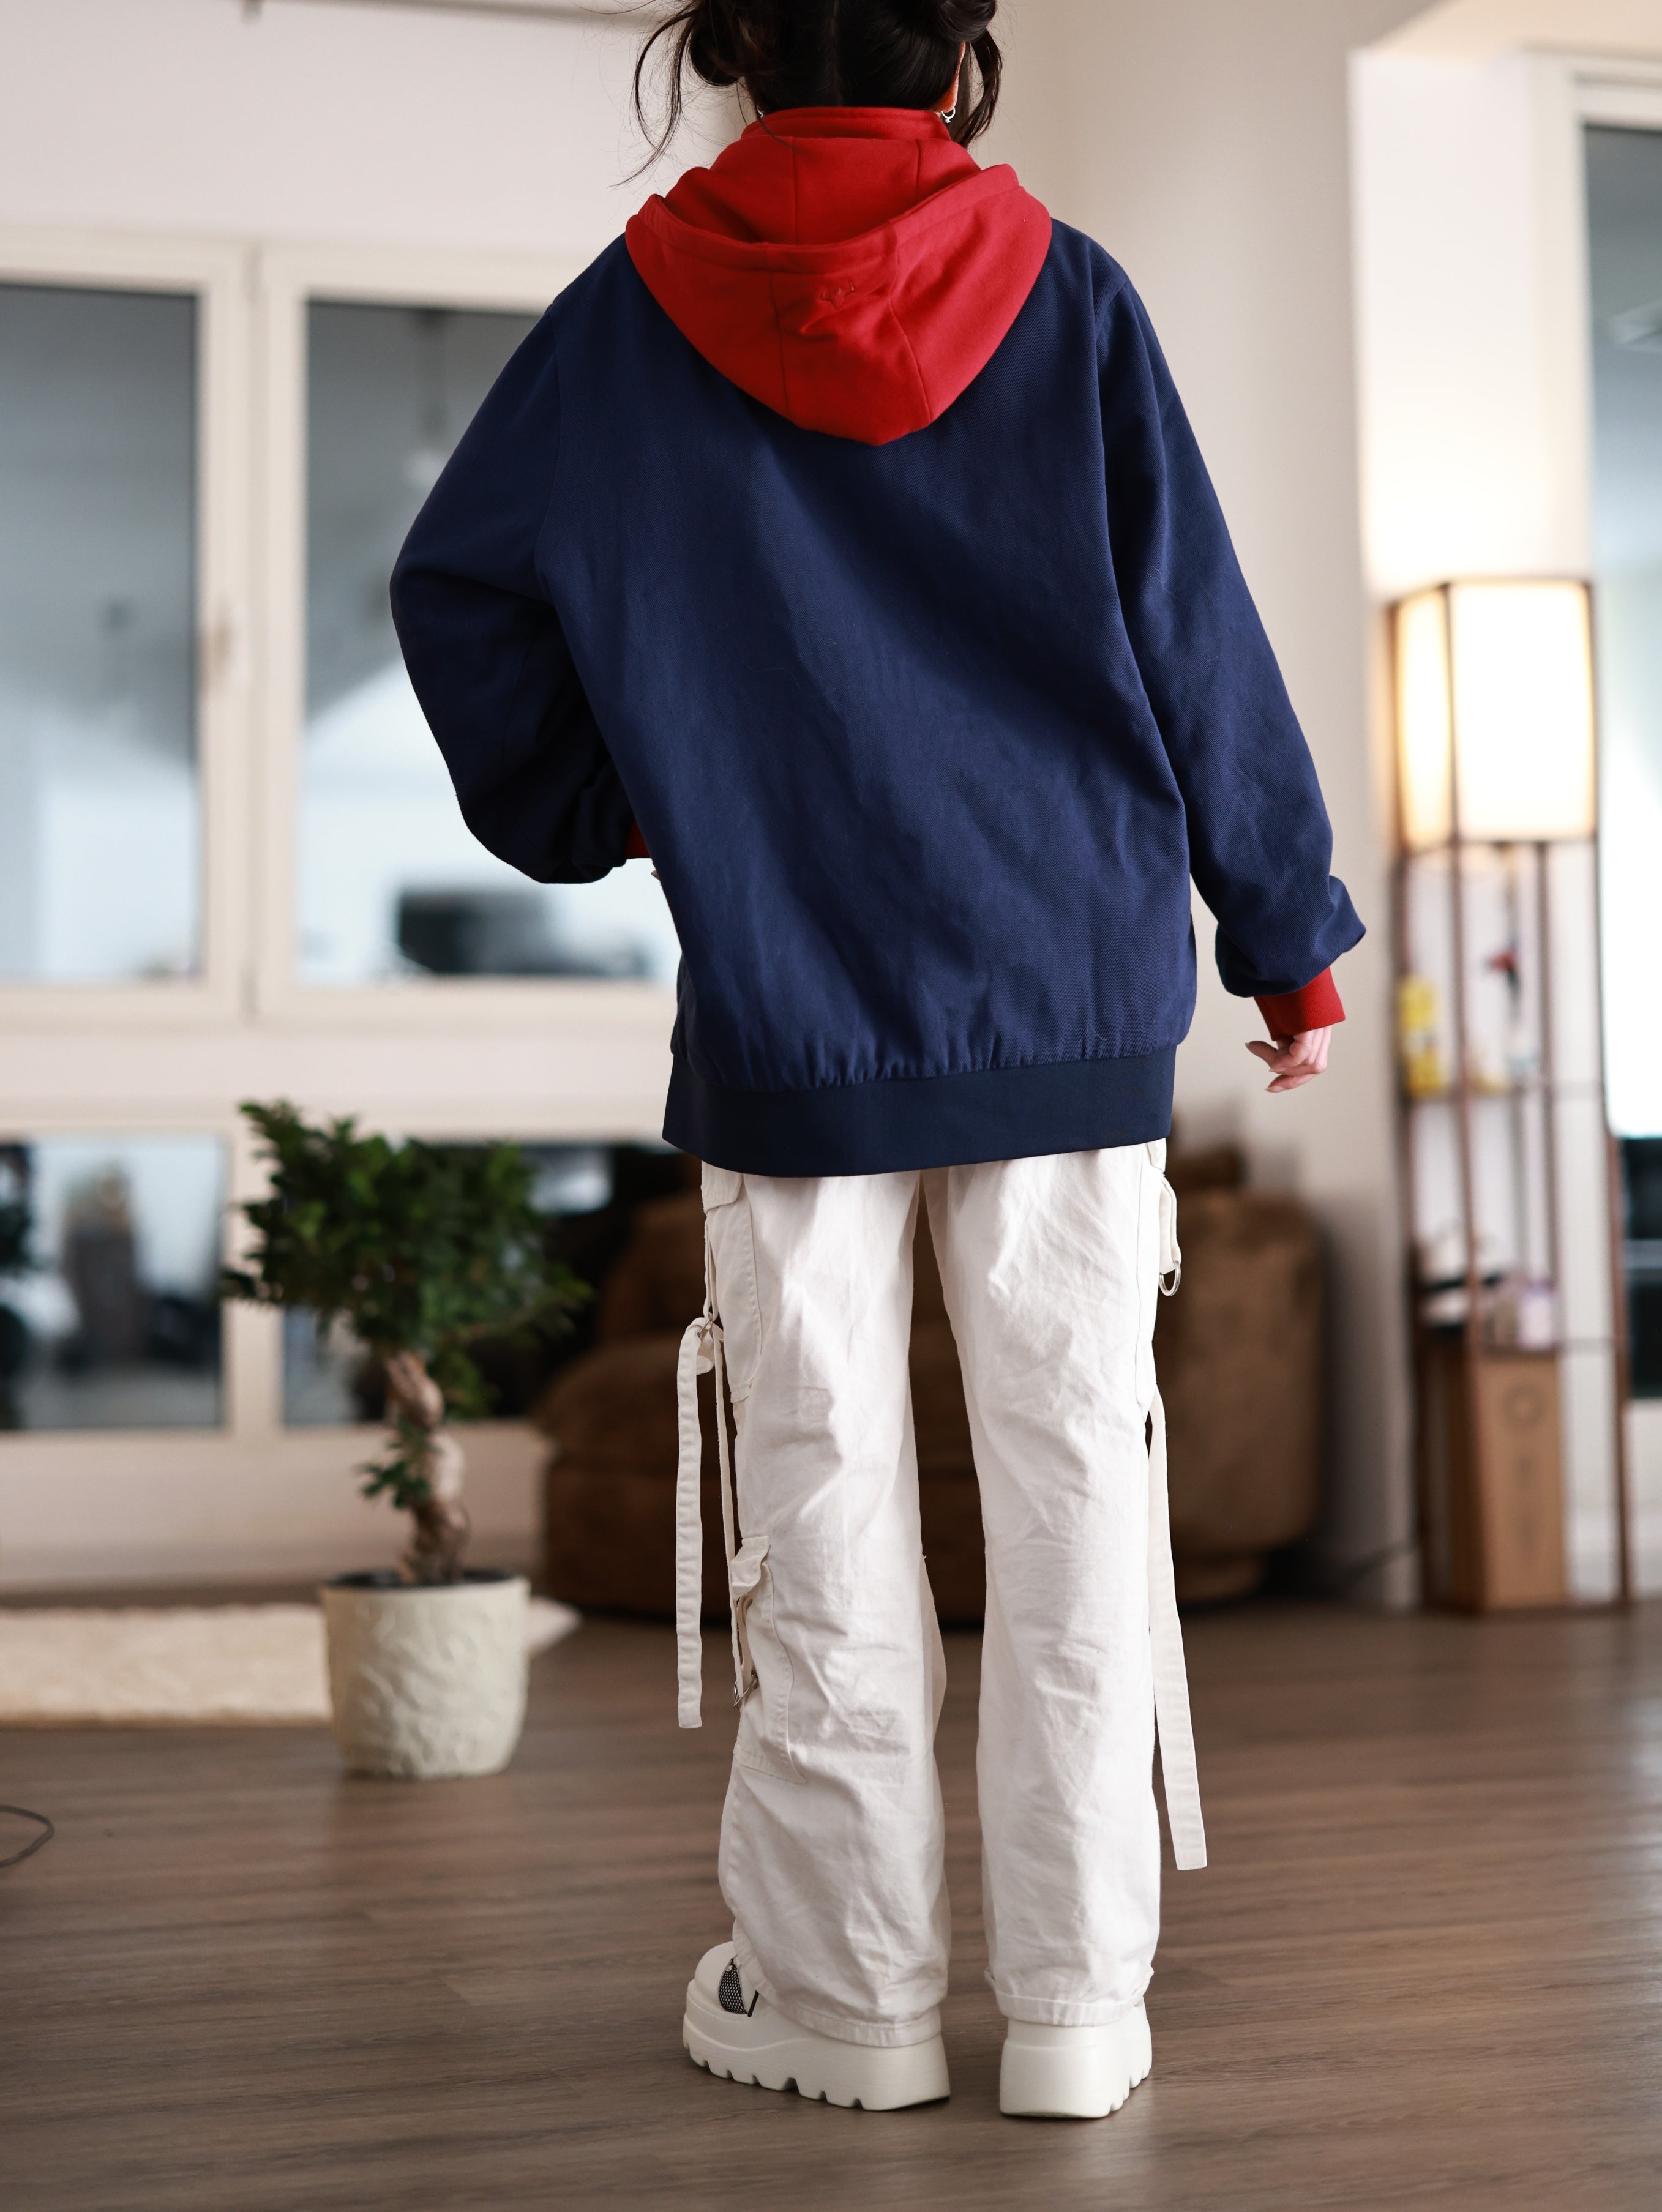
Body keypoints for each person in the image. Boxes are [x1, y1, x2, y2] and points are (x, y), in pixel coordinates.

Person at [391, 0, 1361, 2123]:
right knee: (1078, 1501)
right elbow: (1195, 628)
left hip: (794, 1000)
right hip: (1068, 999)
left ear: (735, 44)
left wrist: (612, 800)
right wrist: (1284, 940)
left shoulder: (623, 323)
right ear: (958, 52)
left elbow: (454, 592)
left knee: (822, 1505)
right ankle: (1080, 2008)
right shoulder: (1069, 295)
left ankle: (846, 2002)